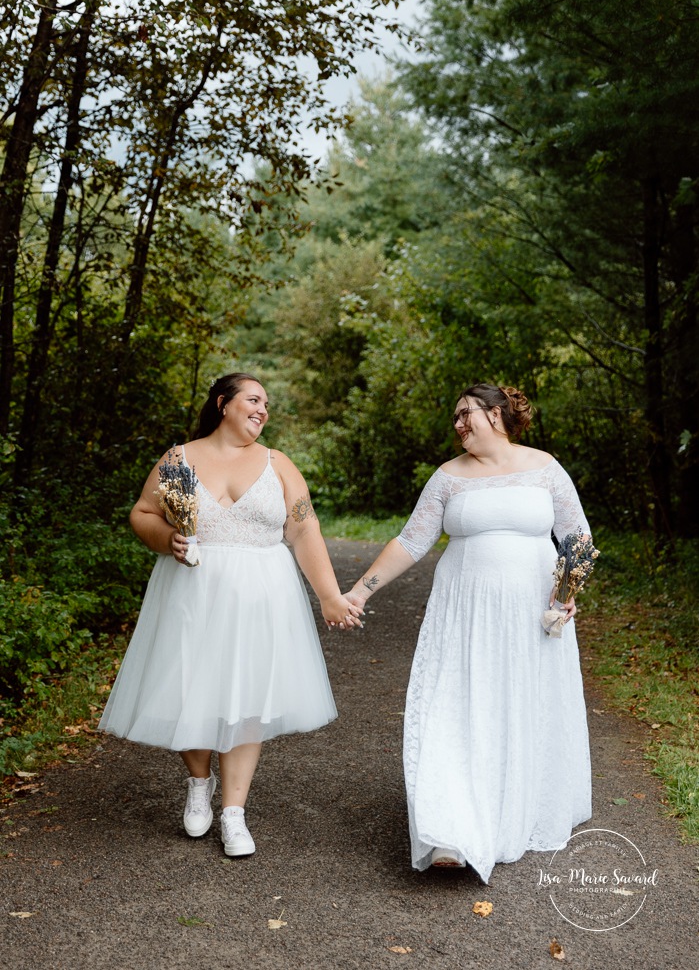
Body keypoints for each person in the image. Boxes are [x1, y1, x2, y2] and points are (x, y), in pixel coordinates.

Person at [99, 372, 360, 857]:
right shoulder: (179, 459)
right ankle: (200, 783)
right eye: (254, 399)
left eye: (267, 404)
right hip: (190, 594)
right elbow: (143, 512)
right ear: (224, 403)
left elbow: (304, 531)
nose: (263, 410)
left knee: (246, 699)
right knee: (186, 688)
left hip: (261, 598)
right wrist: (166, 539)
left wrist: (329, 595)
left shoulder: (277, 463)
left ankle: (234, 813)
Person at [342, 383, 592, 884]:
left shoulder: (545, 468)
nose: (457, 424)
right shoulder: (447, 478)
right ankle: (449, 832)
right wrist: (359, 591)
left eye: (465, 414)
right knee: (454, 704)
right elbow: (412, 540)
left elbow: (577, 538)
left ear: (497, 414)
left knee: (520, 704)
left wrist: (568, 593)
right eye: (454, 417)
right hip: (464, 613)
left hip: (531, 614)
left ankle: (513, 804)